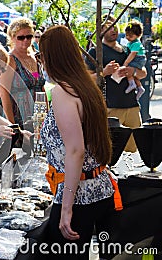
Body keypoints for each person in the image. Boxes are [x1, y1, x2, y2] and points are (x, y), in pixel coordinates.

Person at [40, 25, 116, 259]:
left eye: (41, 55)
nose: (40, 62)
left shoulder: (64, 91)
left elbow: (76, 151)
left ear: (51, 57)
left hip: (81, 194)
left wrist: (66, 207)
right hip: (101, 190)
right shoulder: (85, 87)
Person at [85, 15, 146, 153]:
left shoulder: (128, 49)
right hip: (109, 109)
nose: (113, 29)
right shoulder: (95, 52)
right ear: (100, 30)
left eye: (115, 26)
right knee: (109, 151)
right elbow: (87, 80)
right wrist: (104, 72)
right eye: (108, 26)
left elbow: (143, 74)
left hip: (132, 107)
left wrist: (133, 71)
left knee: (135, 147)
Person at [0, 18, 45, 126]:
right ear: (12, 38)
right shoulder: (10, 59)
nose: (26, 40)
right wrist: (11, 124)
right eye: (21, 37)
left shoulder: (35, 57)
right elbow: (4, 92)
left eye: (29, 36)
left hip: (38, 115)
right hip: (19, 116)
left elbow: (38, 83)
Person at [123, 20, 146, 100]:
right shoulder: (132, 42)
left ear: (138, 35)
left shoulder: (136, 44)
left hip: (138, 59)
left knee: (128, 70)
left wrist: (126, 63)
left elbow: (132, 54)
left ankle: (132, 84)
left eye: (130, 36)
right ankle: (139, 87)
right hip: (138, 59)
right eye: (126, 35)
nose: (128, 37)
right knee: (133, 74)